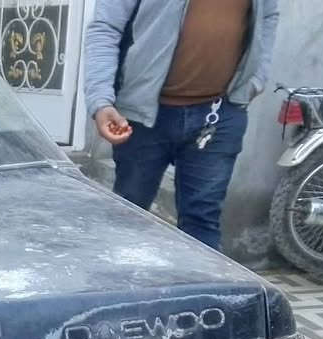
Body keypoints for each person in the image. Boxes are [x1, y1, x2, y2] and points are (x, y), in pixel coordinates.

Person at [84, 0, 280, 251]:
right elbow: (106, 27)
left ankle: (200, 279)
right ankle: (116, 275)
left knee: (203, 221)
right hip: (143, 115)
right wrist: (101, 101)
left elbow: (268, 16)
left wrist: (256, 79)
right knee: (128, 216)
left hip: (219, 115)